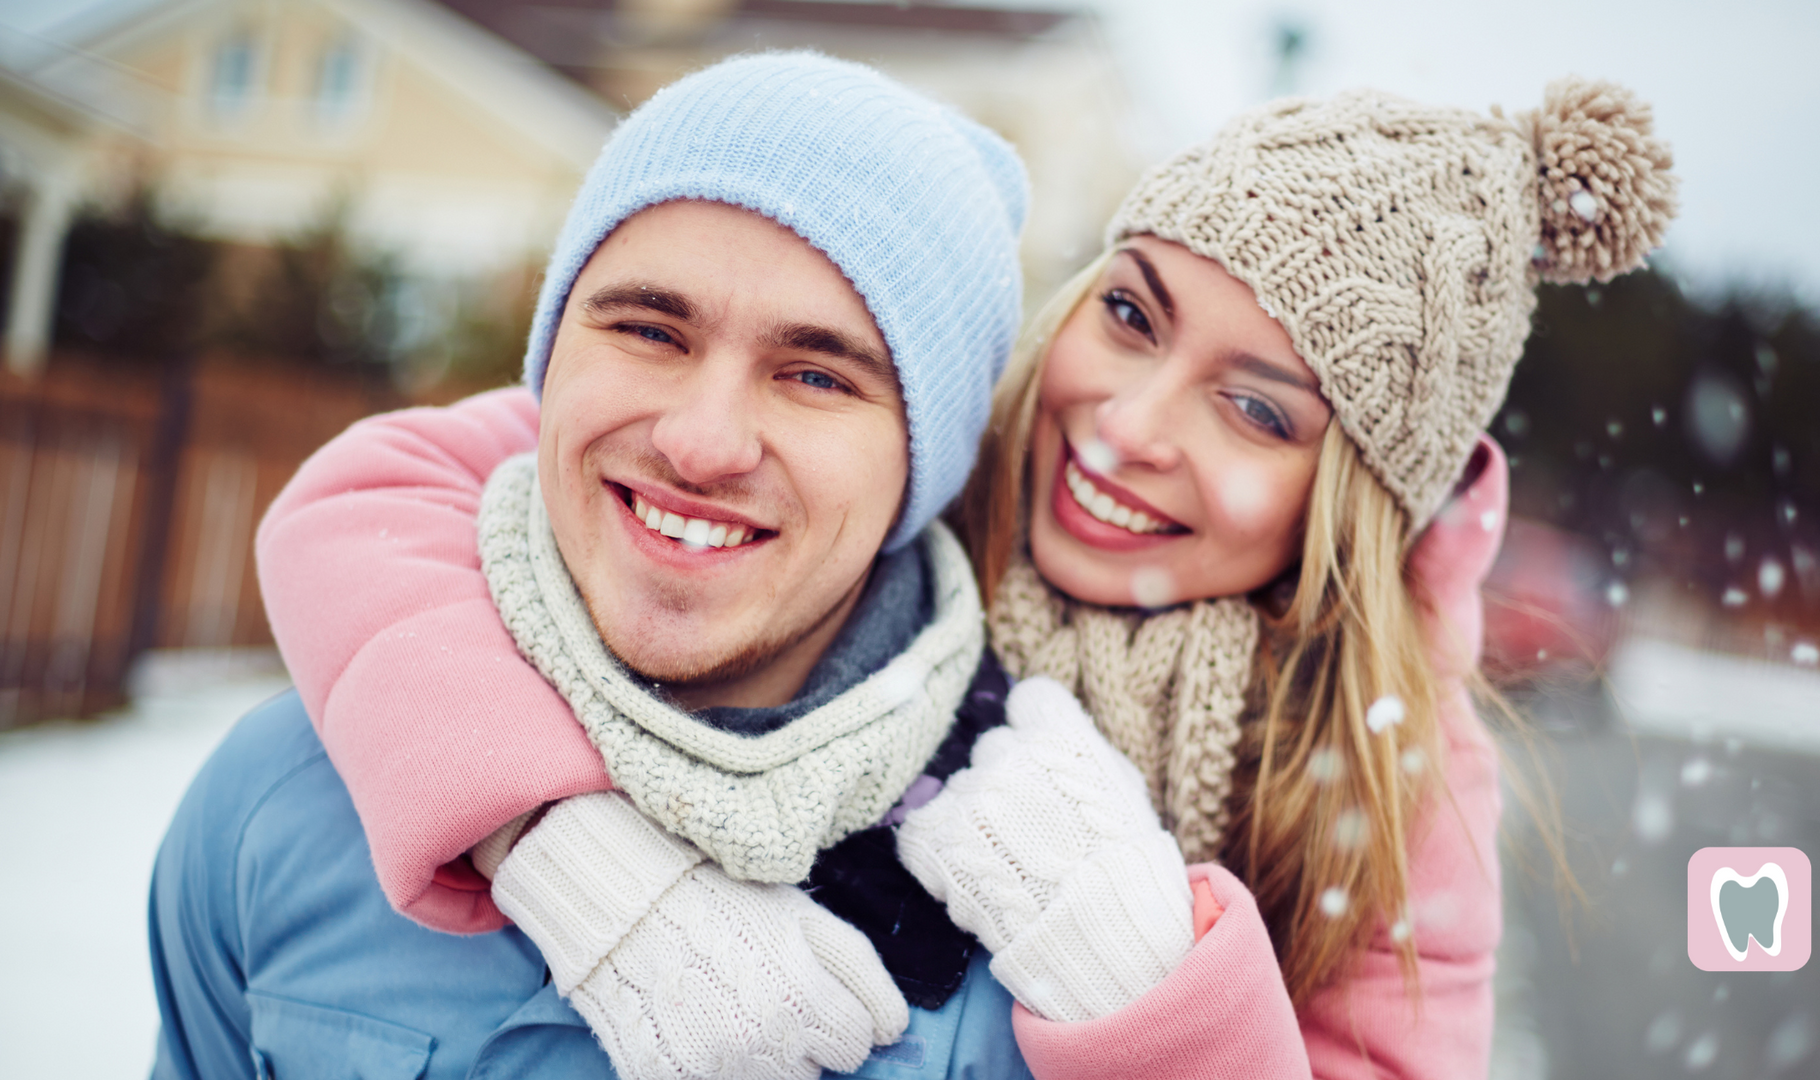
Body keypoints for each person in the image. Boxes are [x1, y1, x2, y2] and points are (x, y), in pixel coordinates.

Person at [190, 72, 1677, 1080]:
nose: (1128, 424)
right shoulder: (912, 452)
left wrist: (1156, 987)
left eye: (1258, 409)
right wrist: (546, 835)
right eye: (1133, 316)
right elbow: (377, 506)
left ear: (1346, 506)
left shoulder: (1373, 767)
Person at [149, 51, 1035, 1080]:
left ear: (921, 468)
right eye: (651, 329)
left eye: (814, 375)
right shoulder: (283, 802)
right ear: (551, 354)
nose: (703, 444)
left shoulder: (1029, 925)